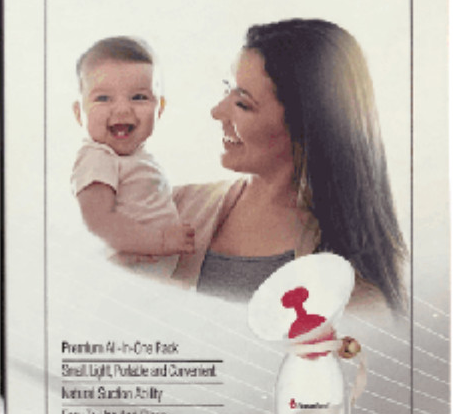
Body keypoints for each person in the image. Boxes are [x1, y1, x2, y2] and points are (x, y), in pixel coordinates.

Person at [172, 18, 406, 310]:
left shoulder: (354, 277)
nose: (217, 111)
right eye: (227, 90)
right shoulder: (175, 207)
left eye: (243, 104)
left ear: (306, 125)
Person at [70, 36, 195, 271]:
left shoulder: (135, 156)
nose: (122, 109)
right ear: (79, 113)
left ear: (159, 109)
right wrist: (159, 242)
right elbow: (97, 220)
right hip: (124, 276)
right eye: (103, 98)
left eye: (139, 97)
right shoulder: (97, 157)